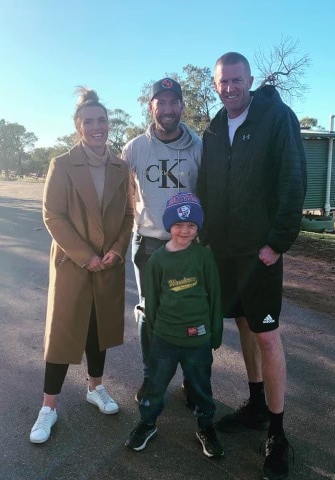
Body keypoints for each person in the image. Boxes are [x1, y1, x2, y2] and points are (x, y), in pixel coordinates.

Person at [197, 53, 306, 479]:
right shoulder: (214, 126)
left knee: (266, 336)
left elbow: (293, 180)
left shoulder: (276, 117)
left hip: (259, 253)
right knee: (241, 324)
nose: (230, 88)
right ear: (215, 84)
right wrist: (204, 237)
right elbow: (207, 182)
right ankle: (256, 404)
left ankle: (277, 433)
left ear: (250, 80)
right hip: (222, 251)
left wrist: (277, 243)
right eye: (222, 82)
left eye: (236, 81)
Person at [29, 87, 134, 444]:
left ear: (109, 124)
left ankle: (95, 388)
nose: (97, 127)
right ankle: (48, 407)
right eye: (89, 121)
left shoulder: (122, 167)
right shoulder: (62, 164)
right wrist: (84, 255)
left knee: (98, 329)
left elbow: (129, 215)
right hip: (73, 264)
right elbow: (53, 216)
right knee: (62, 333)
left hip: (108, 264)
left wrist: (118, 250)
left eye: (102, 120)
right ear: (78, 126)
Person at [124, 193, 224, 458]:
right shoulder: (157, 260)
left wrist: (215, 334)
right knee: (155, 386)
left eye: (191, 225)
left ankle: (205, 427)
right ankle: (147, 423)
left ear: (197, 228)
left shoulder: (204, 257)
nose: (185, 230)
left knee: (201, 387)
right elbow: (152, 303)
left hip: (198, 340)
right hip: (165, 340)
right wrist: (156, 335)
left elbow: (215, 296)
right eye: (179, 225)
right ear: (169, 226)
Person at [121, 78, 202, 403]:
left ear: (182, 107)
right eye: (161, 102)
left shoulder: (198, 146)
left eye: (173, 102)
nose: (167, 109)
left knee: (187, 314)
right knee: (150, 313)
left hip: (188, 245)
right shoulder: (135, 148)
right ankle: (152, 378)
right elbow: (120, 190)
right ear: (151, 106)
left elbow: (207, 193)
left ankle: (191, 382)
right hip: (150, 244)